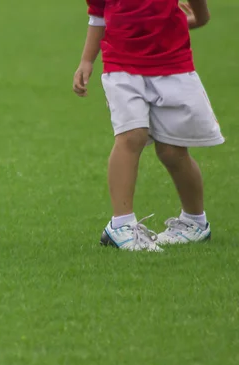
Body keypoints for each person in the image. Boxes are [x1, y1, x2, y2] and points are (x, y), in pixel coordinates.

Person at [72, 0, 223, 252]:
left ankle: (195, 223)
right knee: (131, 136)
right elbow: (98, 13)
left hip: (173, 63)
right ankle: (120, 225)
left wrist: (201, 17)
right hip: (120, 64)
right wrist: (87, 60)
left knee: (173, 151)